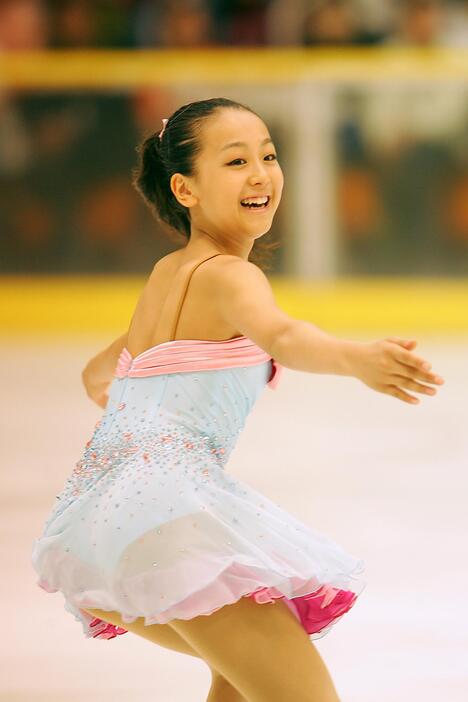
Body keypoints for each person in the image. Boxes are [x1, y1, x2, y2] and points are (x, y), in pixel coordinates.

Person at [31, 97, 445, 702]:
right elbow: (283, 335)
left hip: (102, 525)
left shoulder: (168, 274)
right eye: (234, 161)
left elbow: (101, 375)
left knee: (239, 682)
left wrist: (148, 421)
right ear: (185, 188)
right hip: (167, 518)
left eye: (269, 155)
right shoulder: (230, 275)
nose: (260, 174)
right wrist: (355, 359)